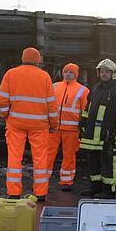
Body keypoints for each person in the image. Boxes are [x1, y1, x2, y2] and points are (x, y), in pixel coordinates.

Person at [0, 47, 58, 201]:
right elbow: (51, 103)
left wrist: (5, 115)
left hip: (16, 124)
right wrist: (53, 124)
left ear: (23, 59)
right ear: (38, 61)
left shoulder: (11, 74)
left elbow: (1, 99)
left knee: (14, 158)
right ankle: (40, 193)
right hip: (39, 125)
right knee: (40, 159)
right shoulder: (44, 76)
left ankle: (14, 192)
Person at [79, 58, 116, 199]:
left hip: (108, 135)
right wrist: (82, 123)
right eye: (102, 71)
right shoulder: (95, 88)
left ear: (113, 73)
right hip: (92, 135)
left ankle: (109, 190)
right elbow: (87, 109)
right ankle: (95, 188)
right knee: (93, 162)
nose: (104, 74)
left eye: (107, 72)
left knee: (108, 163)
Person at [48, 63, 89, 191]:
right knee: (48, 154)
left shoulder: (83, 90)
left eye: (71, 72)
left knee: (69, 156)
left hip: (72, 129)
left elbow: (85, 110)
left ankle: (66, 181)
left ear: (76, 75)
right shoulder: (54, 86)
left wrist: (83, 126)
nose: (68, 74)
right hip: (54, 127)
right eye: (66, 71)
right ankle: (42, 180)